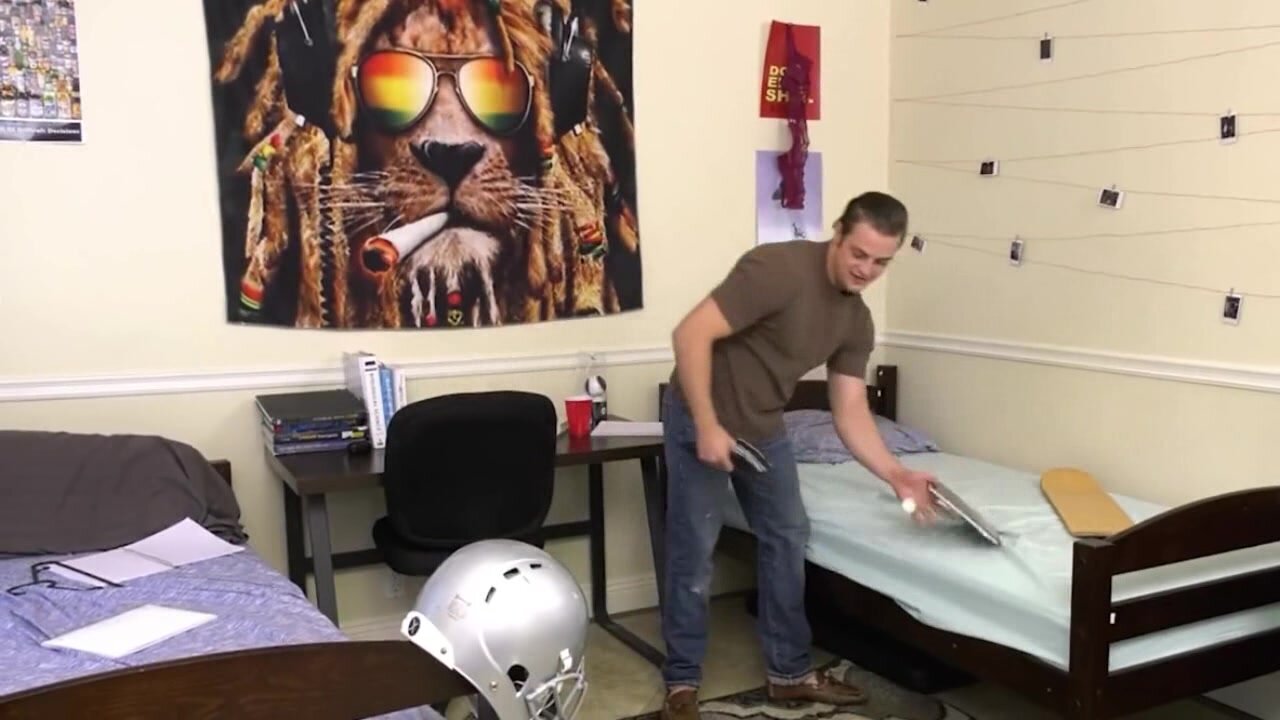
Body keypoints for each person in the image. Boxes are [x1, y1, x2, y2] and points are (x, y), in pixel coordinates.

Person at [658, 191, 939, 720]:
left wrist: (896, 473)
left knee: (788, 536)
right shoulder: (777, 270)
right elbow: (690, 334)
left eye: (881, 262)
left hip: (765, 426)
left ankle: (788, 674)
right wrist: (708, 426)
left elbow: (850, 410)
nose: (866, 270)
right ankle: (682, 681)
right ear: (838, 234)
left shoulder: (855, 321)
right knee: (693, 549)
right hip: (700, 413)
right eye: (859, 254)